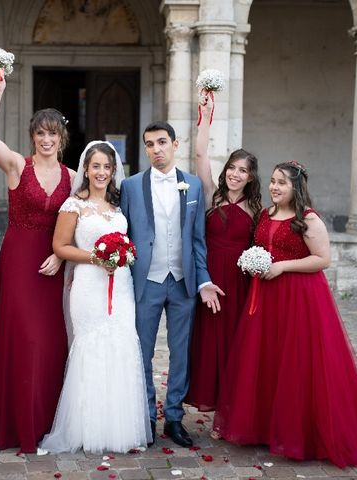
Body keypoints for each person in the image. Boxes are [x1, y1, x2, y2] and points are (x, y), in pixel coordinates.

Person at [213, 161, 357, 467]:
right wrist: (255, 263)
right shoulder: (265, 214)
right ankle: (265, 427)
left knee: (299, 363)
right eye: (273, 181)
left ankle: (300, 432)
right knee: (268, 359)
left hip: (300, 299)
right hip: (265, 298)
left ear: (296, 187)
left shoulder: (309, 219)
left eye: (282, 183)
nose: (275, 187)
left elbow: (322, 259)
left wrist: (282, 266)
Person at [0, 70, 75, 452]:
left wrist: (60, 255)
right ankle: (17, 421)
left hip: (55, 262)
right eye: (41, 133)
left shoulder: (72, 175)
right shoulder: (19, 166)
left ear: (61, 138)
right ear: (33, 137)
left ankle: (48, 422)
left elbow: (76, 223)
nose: (47, 139)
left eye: (53, 133)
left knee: (52, 343)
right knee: (25, 340)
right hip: (20, 262)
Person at [40, 141, 151, 453]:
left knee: (121, 344)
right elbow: (60, 246)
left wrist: (123, 256)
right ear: (85, 170)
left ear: (114, 171)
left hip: (122, 287)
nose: (101, 172)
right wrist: (96, 257)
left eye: (107, 167)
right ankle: (86, 428)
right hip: (89, 285)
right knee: (91, 347)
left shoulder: (118, 208)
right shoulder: (73, 206)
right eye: (96, 166)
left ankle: (118, 428)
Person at [120, 122, 224, 448]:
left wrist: (203, 278)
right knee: (143, 353)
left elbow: (198, 240)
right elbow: (123, 236)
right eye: (150, 144)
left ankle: (174, 418)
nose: (156, 149)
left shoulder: (192, 186)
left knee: (181, 354)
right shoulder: (131, 186)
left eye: (162, 142)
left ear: (175, 144)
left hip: (182, 283)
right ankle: (147, 417)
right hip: (146, 283)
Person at [185, 94, 262, 425]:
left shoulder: (257, 210)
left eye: (242, 171)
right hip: (210, 278)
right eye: (231, 167)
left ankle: (233, 414)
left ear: (249, 177)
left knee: (236, 346)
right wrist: (206, 115)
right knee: (209, 345)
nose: (234, 174)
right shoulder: (211, 195)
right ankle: (215, 406)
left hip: (240, 283)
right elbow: (201, 154)